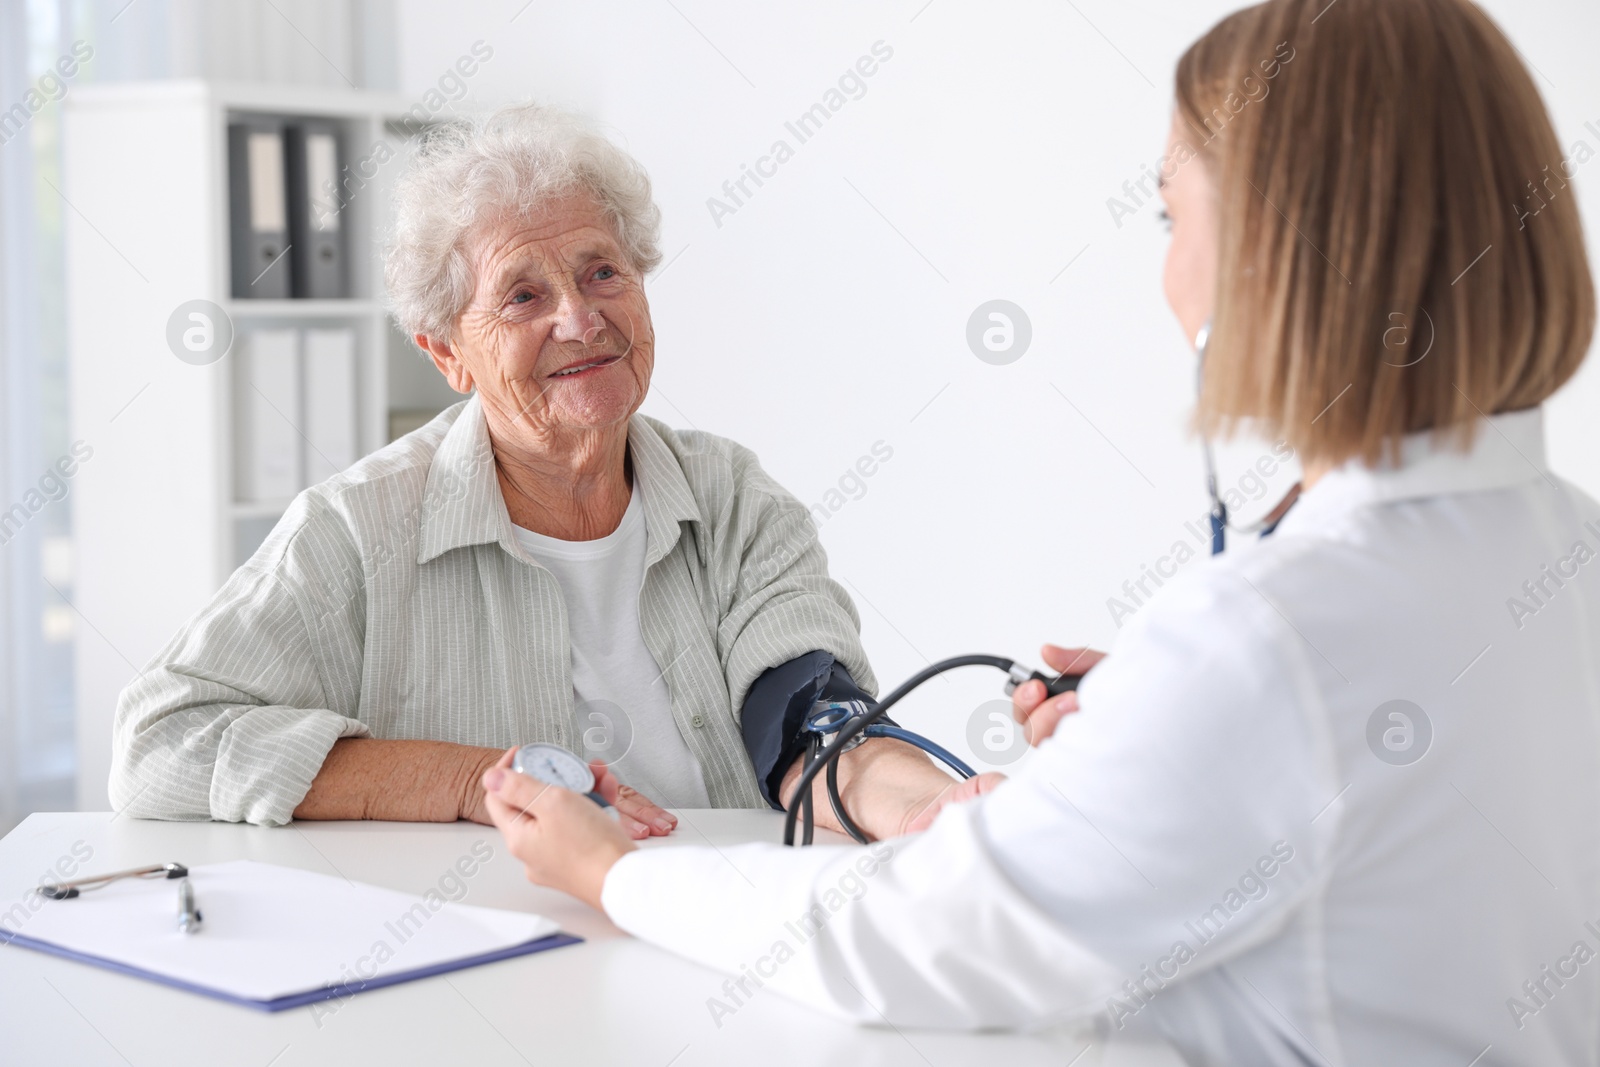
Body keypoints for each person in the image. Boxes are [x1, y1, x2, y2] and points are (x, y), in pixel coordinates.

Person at [479, 0, 1600, 1062]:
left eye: (1172, 215)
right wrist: (1165, 725)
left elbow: (924, 941)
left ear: (1278, 255)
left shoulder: (1273, 635)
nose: (580, 319)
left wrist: (613, 872)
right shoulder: (1560, 544)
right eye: (522, 297)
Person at [108, 104, 972, 836]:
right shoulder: (354, 532)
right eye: (523, 295)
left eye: (603, 271)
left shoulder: (734, 500)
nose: (580, 318)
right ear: (447, 354)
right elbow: (158, 746)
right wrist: (470, 781)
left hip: (721, 936)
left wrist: (950, 812)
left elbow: (813, 729)